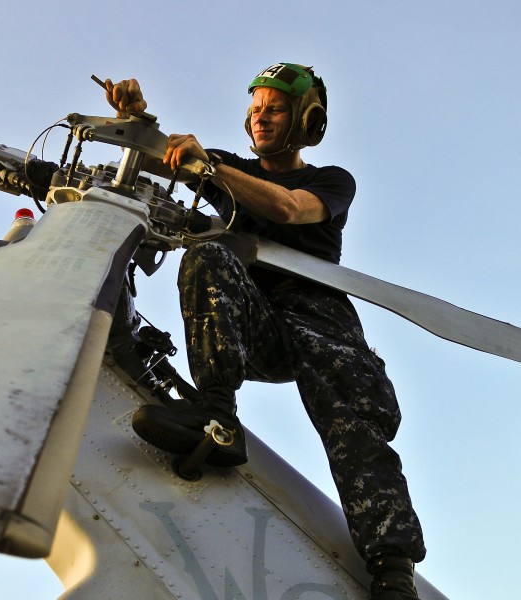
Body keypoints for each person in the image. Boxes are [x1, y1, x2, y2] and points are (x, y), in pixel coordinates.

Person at [104, 65, 426, 600]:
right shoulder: (225, 168)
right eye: (255, 109)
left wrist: (211, 168)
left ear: (306, 120)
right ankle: (217, 415)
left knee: (355, 425)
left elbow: (288, 207)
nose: (261, 118)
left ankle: (392, 569)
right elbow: (166, 154)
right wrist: (137, 119)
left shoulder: (330, 180)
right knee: (207, 255)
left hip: (319, 321)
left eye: (274, 109)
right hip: (252, 321)